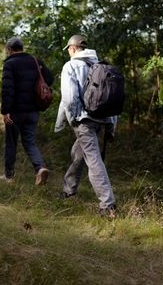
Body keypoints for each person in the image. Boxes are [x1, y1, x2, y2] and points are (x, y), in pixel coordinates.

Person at [55, 34, 118, 218]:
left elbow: (69, 97)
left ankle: (108, 205)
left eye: (68, 49)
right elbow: (111, 98)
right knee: (79, 154)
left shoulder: (71, 65)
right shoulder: (101, 66)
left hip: (83, 120)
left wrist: (74, 118)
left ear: (73, 48)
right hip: (101, 120)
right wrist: (111, 126)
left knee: (94, 161)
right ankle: (69, 190)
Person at [0, 37, 54, 185]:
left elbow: (7, 90)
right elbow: (49, 79)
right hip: (33, 110)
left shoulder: (9, 64)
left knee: (11, 142)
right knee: (29, 142)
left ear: (9, 49)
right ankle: (40, 168)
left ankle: (9, 176)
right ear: (22, 47)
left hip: (16, 111)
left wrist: (5, 111)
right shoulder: (35, 61)